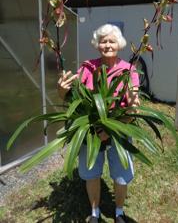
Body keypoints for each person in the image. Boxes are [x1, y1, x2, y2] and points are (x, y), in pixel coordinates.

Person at [57, 24, 140, 223]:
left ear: (119, 44)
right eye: (103, 41)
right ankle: (94, 212)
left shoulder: (129, 70)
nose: (107, 44)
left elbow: (133, 108)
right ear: (97, 45)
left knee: (121, 175)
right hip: (91, 132)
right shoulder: (88, 67)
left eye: (111, 41)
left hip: (118, 130)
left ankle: (119, 212)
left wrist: (130, 106)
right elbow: (70, 98)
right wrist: (61, 89)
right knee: (91, 174)